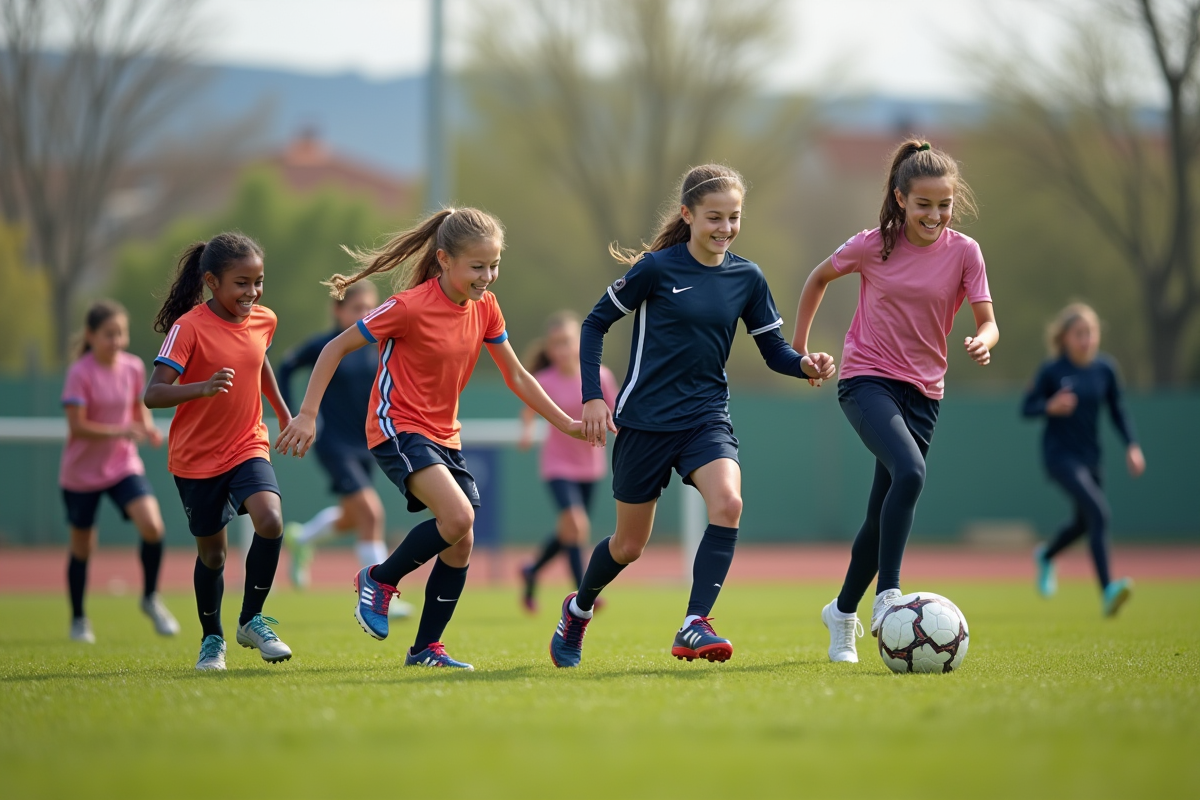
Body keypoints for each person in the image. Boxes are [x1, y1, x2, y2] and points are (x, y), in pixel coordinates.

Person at [548, 163, 836, 669]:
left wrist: (804, 364)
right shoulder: (656, 269)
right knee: (629, 545)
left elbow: (773, 351)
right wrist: (592, 396)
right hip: (643, 421)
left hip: (706, 417)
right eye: (714, 217)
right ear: (688, 215)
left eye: (734, 218)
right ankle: (578, 608)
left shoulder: (748, 277)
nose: (725, 228)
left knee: (728, 503)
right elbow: (594, 325)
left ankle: (694, 622)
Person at [275, 207, 586, 671]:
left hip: (445, 434)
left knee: (461, 540)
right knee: (458, 516)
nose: (488, 276)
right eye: (477, 266)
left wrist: (566, 422)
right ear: (444, 259)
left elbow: (518, 376)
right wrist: (307, 414)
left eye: (494, 265)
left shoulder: (486, 308)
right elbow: (334, 347)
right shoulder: (409, 306)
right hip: (396, 426)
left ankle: (425, 649)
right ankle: (379, 579)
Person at [792, 139, 998, 664]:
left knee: (879, 515)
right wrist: (798, 349)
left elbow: (988, 319)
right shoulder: (872, 245)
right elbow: (817, 278)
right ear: (901, 199)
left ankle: (841, 613)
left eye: (944, 204)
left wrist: (983, 339)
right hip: (867, 380)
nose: (935, 214)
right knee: (909, 472)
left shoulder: (965, 252)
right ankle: (888, 597)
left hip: (925, 393)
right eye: (924, 203)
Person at [145, 232, 293, 671]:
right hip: (196, 460)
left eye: (258, 282)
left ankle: (252, 620)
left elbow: (259, 359)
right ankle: (213, 639)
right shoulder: (187, 328)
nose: (252, 293)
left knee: (270, 520)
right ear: (212, 281)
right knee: (213, 555)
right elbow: (153, 395)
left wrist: (285, 414)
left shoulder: (264, 319)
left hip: (248, 443)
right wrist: (201, 389)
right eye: (241, 283)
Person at [276, 281, 415, 618]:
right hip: (334, 444)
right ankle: (381, 595)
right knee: (371, 514)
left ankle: (303, 538)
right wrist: (293, 415)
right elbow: (285, 366)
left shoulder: (378, 344)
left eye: (370, 307)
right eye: (356, 308)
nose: (365, 314)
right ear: (338, 312)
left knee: (354, 517)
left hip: (369, 443)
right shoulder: (326, 345)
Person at [59, 300, 179, 643]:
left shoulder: (132, 367)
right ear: (91, 336)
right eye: (109, 334)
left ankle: (151, 598)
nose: (117, 341)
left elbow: (135, 411)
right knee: (83, 547)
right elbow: (77, 426)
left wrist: (148, 427)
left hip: (122, 465)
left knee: (153, 526)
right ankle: (80, 619)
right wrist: (122, 430)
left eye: (121, 334)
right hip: (81, 474)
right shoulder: (80, 372)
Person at [1022, 303, 1144, 617]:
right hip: (1060, 457)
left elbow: (1118, 411)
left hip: (1092, 458)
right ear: (1064, 338)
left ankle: (1047, 555)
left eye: (1091, 332)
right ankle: (1107, 592)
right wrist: (1050, 405)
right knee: (1099, 513)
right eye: (1080, 333)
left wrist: (1132, 445)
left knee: (1083, 523)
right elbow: (1027, 408)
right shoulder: (1052, 371)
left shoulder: (1105, 369)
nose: (1086, 339)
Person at [516, 310, 618, 613]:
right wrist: (525, 430)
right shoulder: (543, 380)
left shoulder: (600, 376)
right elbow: (528, 408)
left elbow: (615, 412)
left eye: (568, 342)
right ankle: (583, 595)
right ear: (549, 349)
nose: (562, 349)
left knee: (569, 531)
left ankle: (532, 570)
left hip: (590, 466)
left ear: (581, 343)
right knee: (576, 523)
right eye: (556, 344)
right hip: (557, 466)